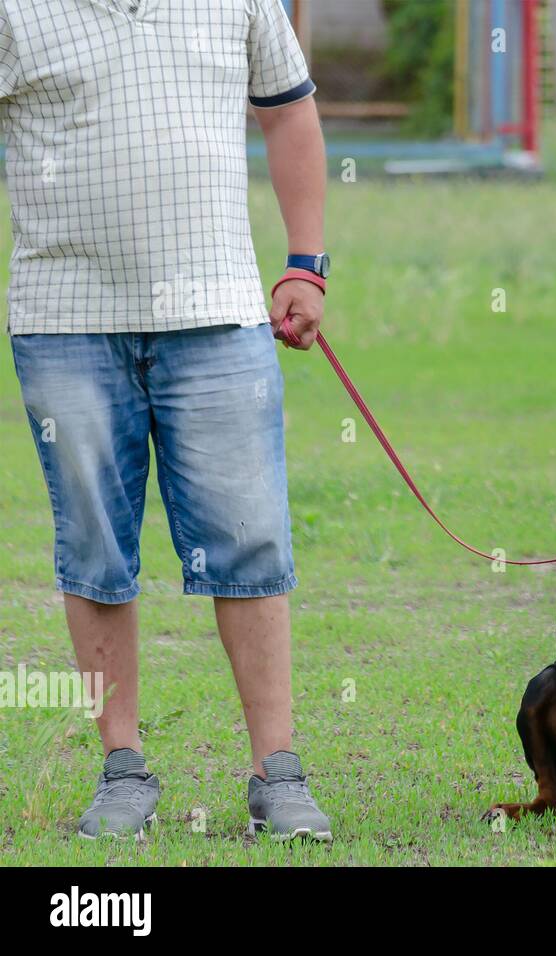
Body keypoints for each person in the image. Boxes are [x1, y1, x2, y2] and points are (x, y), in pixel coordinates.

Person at [1, 0, 332, 841]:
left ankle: (277, 772)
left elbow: (289, 109)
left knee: (250, 541)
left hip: (218, 316)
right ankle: (122, 769)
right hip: (64, 322)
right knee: (95, 546)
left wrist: (305, 264)